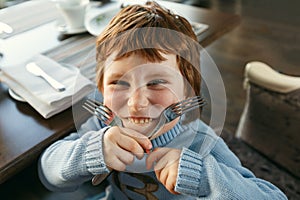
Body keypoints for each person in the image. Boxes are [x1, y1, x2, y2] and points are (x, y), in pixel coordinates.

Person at [38, 1, 287, 199]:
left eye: (156, 83)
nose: (136, 103)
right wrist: (90, 153)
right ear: (101, 89)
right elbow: (48, 174)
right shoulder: (103, 128)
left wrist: (202, 176)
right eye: (118, 83)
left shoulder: (201, 143)